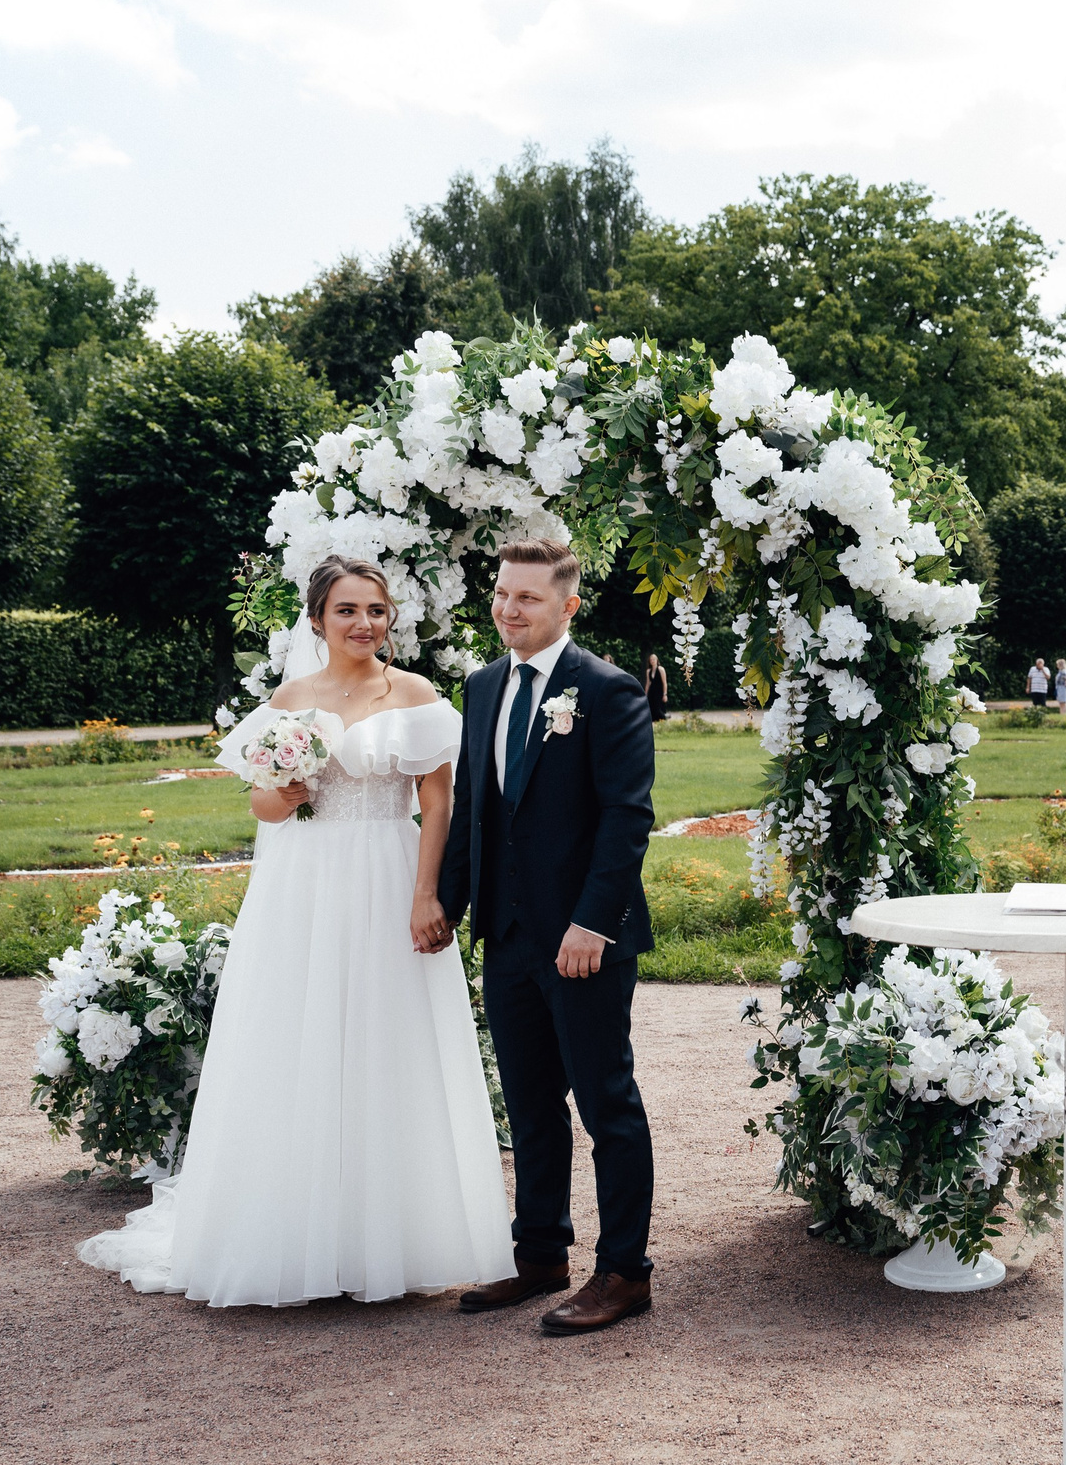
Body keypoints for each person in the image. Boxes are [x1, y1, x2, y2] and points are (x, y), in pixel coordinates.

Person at [78, 557, 516, 1306]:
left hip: (388, 872)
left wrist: (426, 894)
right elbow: (261, 805)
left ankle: (395, 1238)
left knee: (388, 1041)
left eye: (376, 610)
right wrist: (285, 788)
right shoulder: (290, 697)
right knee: (298, 1038)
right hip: (302, 886)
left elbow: (439, 806)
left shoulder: (416, 695)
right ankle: (298, 1236)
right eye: (347, 610)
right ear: (317, 620)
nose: (363, 624)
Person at [438, 538, 660, 1336]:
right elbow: (476, 807)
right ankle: (539, 1254)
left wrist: (592, 922)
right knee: (531, 1105)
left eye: (527, 598)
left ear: (568, 606)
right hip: (508, 934)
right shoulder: (482, 686)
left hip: (583, 939)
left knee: (607, 1105)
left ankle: (625, 1272)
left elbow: (627, 817)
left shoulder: (606, 689)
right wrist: (447, 904)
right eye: (502, 593)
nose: (508, 608)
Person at [642, 651, 669, 723]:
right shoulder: (648, 671)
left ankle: (663, 719)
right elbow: (648, 683)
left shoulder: (661, 669)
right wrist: (645, 694)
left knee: (658, 709)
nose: (652, 661)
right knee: (651, 708)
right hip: (652, 691)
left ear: (657, 660)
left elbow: (664, 683)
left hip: (659, 691)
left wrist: (665, 694)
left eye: (654, 659)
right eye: (651, 660)